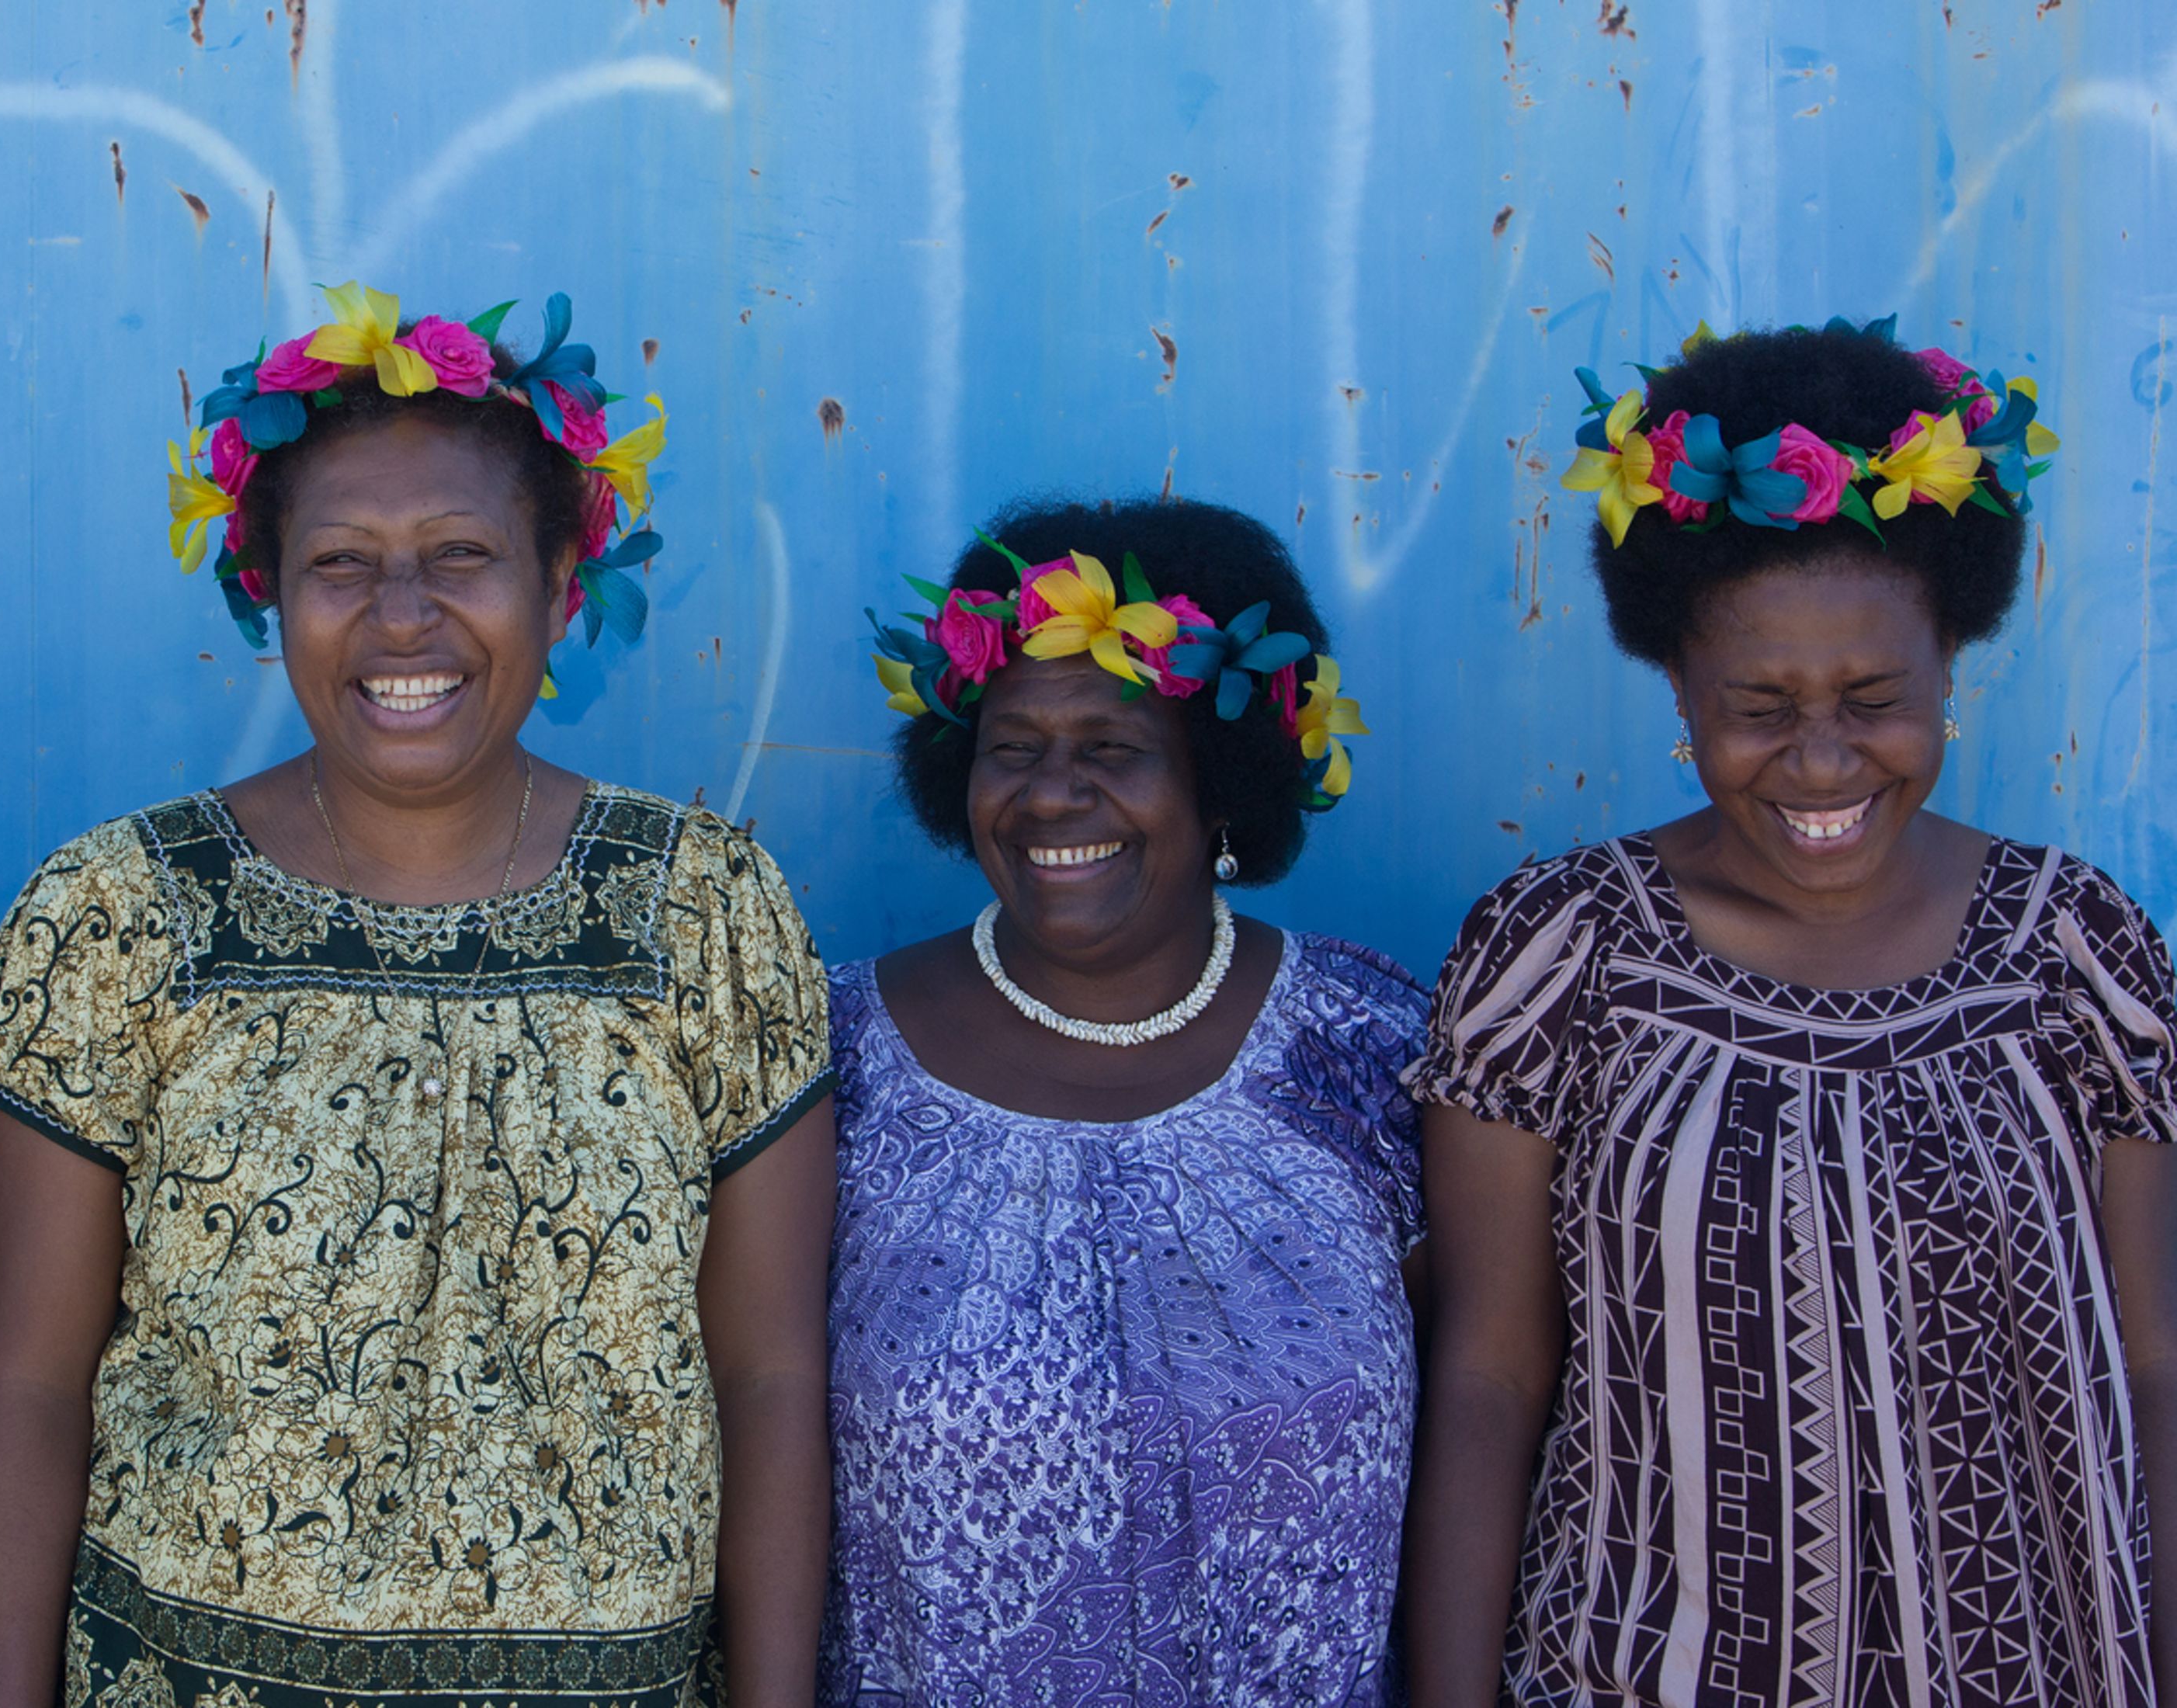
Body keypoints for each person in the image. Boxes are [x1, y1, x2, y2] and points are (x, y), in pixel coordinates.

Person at [0, 283, 837, 1708]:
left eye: (463, 556)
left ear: (561, 587)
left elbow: (775, 1378)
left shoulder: (706, 910)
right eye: (342, 563)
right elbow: (33, 1391)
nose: (403, 618)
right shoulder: (121, 912)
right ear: (273, 593)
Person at [1404, 320, 2177, 1705]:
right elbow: (1488, 1378)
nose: (1822, 759)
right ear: (1680, 693)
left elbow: (2159, 1368)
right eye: (1759, 706)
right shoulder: (1561, 953)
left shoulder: (2076, 951)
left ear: (1951, 663)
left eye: (1876, 699)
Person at [823, 498, 1417, 1706]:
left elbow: (1491, 1403)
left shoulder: (1370, 1049)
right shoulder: (836, 1054)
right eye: (1015, 746)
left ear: (1222, 786)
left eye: (1112, 749)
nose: (1051, 795)